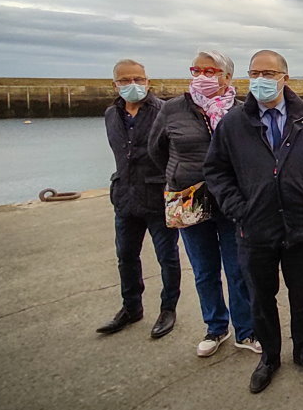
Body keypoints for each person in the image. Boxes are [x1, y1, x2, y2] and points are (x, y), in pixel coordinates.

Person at [204, 50, 303, 393]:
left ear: (285, 77)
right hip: (255, 227)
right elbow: (216, 170)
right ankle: (269, 358)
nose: (262, 80)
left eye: (269, 73)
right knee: (261, 297)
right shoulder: (233, 122)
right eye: (255, 73)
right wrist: (237, 207)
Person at [148, 50, 257, 357]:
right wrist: (180, 176)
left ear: (227, 77)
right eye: (198, 69)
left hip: (231, 198)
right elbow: (156, 150)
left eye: (211, 71)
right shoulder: (173, 109)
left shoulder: (240, 111)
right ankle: (215, 327)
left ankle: (246, 331)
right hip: (189, 199)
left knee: (238, 268)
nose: (203, 76)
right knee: (204, 270)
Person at [97, 59, 181, 339]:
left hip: (157, 197)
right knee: (126, 256)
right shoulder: (111, 114)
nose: (132, 85)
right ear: (115, 84)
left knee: (167, 258)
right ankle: (131, 307)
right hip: (124, 197)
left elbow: (174, 154)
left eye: (138, 79)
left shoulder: (163, 112)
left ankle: (168, 309)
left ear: (147, 81)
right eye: (125, 80)